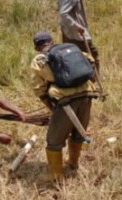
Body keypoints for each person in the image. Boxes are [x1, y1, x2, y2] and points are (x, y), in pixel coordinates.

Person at [31, 32, 98, 180]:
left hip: (65, 101)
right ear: (52, 41)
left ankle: (56, 175)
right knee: (79, 132)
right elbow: (91, 63)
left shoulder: (40, 59)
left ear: (37, 47)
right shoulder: (74, 50)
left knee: (54, 140)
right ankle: (73, 163)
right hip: (87, 94)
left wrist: (52, 107)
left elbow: (39, 89)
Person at [57, 0, 100, 73]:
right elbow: (64, 13)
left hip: (66, 30)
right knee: (92, 57)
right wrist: (77, 26)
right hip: (77, 33)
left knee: (71, 56)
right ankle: (94, 83)